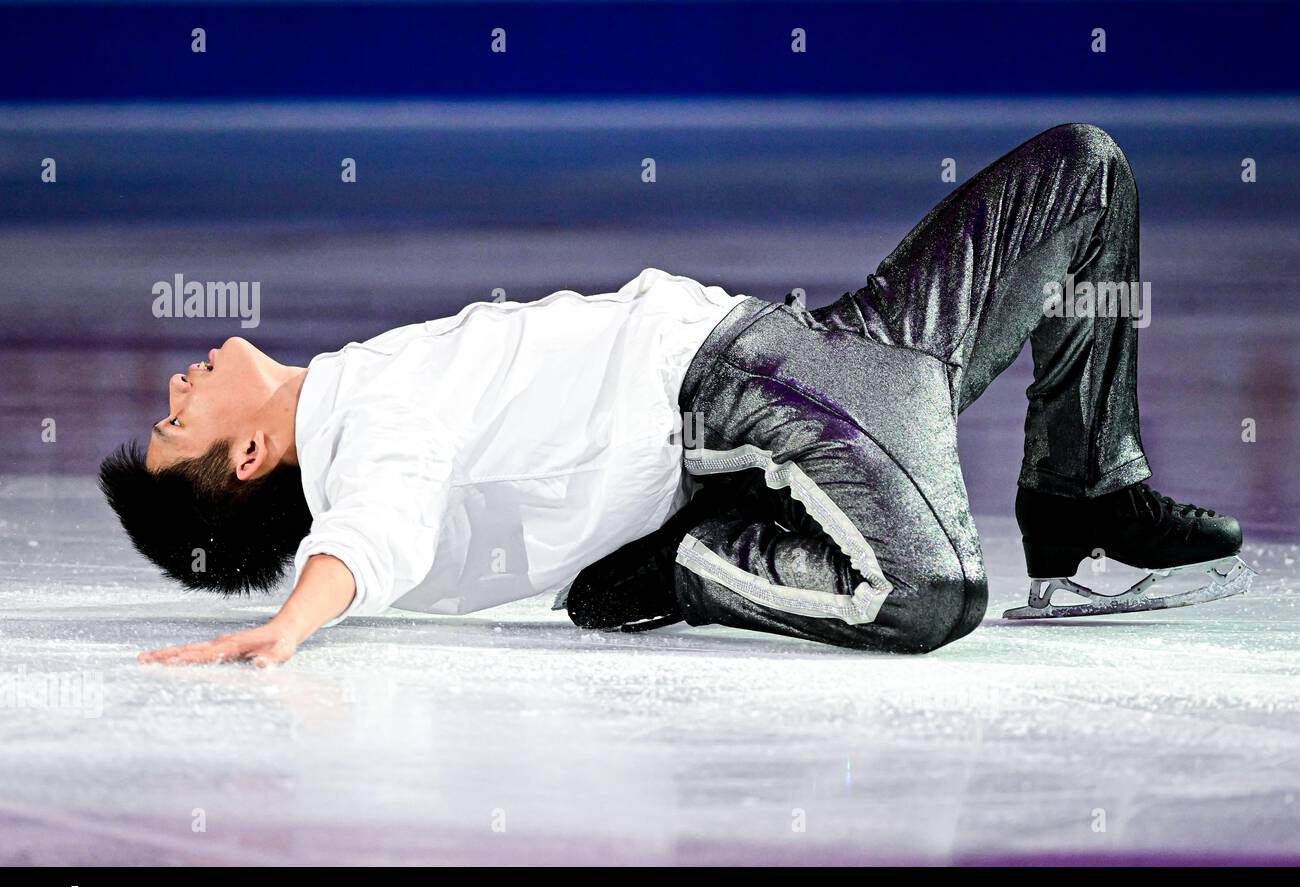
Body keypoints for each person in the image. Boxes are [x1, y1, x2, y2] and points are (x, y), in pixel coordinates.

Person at [100, 124, 1251, 667]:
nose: (178, 382)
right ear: (250, 458)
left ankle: (1084, 493)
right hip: (746, 395)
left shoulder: (363, 383)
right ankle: (694, 563)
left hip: (803, 352)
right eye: (175, 422)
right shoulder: (362, 429)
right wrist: (292, 622)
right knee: (928, 591)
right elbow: (377, 525)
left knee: (1084, 173)